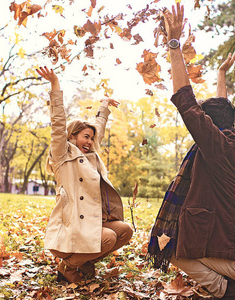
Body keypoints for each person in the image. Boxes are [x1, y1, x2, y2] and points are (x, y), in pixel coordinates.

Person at [147, 3, 235, 300]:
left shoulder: (217, 147)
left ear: (211, 126)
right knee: (182, 241)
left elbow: (185, 101)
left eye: (206, 121)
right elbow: (223, 110)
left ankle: (231, 291)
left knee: (167, 245)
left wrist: (174, 43)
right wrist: (221, 73)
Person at [36, 66, 133, 283]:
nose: (89, 142)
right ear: (72, 136)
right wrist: (55, 86)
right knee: (107, 237)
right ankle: (68, 265)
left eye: (91, 138)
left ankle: (85, 261)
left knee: (125, 230)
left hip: (91, 221)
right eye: (85, 137)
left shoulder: (91, 158)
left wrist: (104, 106)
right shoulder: (62, 155)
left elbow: (98, 129)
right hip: (71, 226)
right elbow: (57, 124)